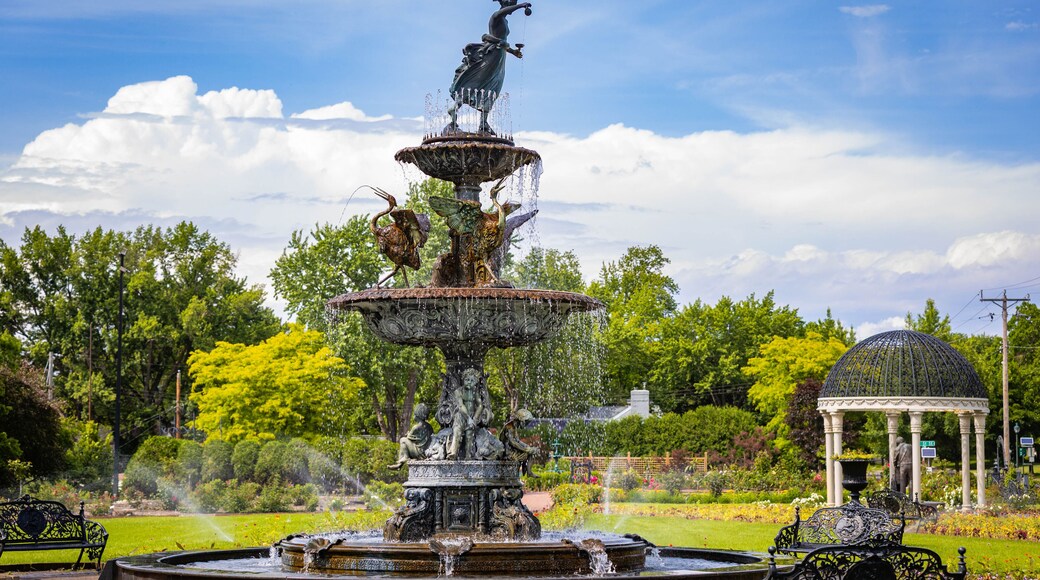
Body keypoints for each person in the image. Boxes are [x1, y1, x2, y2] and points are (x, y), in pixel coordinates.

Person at [446, 0, 533, 134]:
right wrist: (521, 6)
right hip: (491, 54)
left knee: (493, 89)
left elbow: (503, 41)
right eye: (511, 3)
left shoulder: (505, 21)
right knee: (476, 82)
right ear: (505, 4)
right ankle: (454, 109)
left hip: (500, 57)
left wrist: (514, 52)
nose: (511, 8)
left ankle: (483, 123)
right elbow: (494, 36)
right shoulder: (496, 16)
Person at [389, 403, 433, 469]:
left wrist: (408, 434)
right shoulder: (429, 426)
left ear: (417, 415)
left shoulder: (416, 427)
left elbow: (409, 438)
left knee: (403, 440)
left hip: (419, 452)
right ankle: (401, 462)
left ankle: (404, 458)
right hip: (426, 452)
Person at [500, 409, 538, 476]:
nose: (526, 425)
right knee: (529, 453)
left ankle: (529, 472)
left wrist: (528, 447)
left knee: (532, 451)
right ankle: (526, 470)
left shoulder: (514, 426)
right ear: (522, 420)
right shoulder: (509, 426)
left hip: (511, 450)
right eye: (526, 422)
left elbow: (518, 441)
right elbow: (513, 443)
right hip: (507, 453)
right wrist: (526, 449)